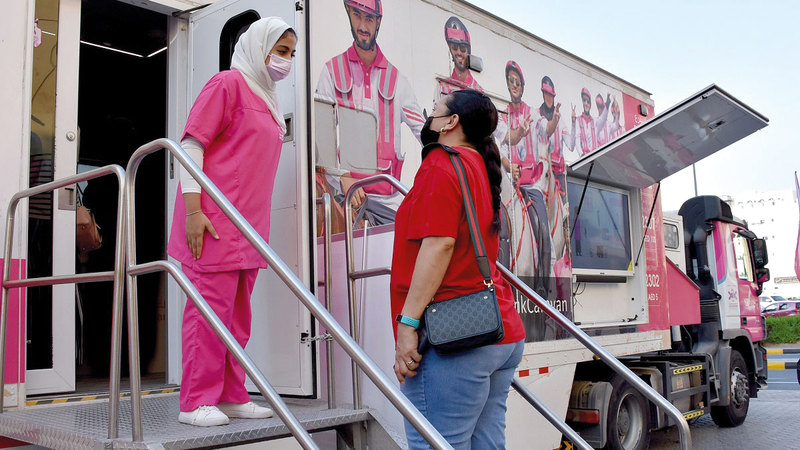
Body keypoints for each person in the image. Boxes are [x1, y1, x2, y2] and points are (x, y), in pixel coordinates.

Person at [167, 17, 297, 427]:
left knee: (238, 318)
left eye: (291, 53)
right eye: (281, 51)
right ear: (258, 47)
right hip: (212, 221)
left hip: (248, 228)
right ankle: (195, 401)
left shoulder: (268, 98)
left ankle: (230, 395)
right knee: (208, 315)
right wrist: (193, 211)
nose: (286, 60)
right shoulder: (227, 84)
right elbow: (191, 145)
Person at [390, 89, 525, 449]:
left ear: (450, 122)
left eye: (435, 109)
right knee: (488, 442)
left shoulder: (440, 162)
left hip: (456, 336)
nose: (429, 115)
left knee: (434, 443)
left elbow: (440, 245)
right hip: (499, 329)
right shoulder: (479, 165)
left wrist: (407, 324)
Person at [316, 0, 424, 225]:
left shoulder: (398, 80)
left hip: (391, 205)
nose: (363, 26)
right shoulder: (331, 71)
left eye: (369, 18)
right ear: (348, 12)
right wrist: (343, 177)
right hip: (346, 200)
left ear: (378, 22)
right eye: (357, 15)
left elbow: (425, 133)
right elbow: (320, 134)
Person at [500, 61, 551, 294]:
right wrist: (509, 167)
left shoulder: (533, 113)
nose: (514, 85)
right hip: (510, 183)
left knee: (542, 228)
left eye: (517, 82)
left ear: (522, 86)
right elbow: (501, 147)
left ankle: (542, 285)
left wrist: (554, 120)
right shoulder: (503, 116)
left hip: (531, 185)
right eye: (510, 81)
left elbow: (545, 129)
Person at [436, 16, 483, 100]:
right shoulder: (442, 86)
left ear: (468, 51)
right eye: (454, 47)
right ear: (450, 50)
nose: (458, 52)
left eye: (462, 48)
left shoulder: (479, 91)